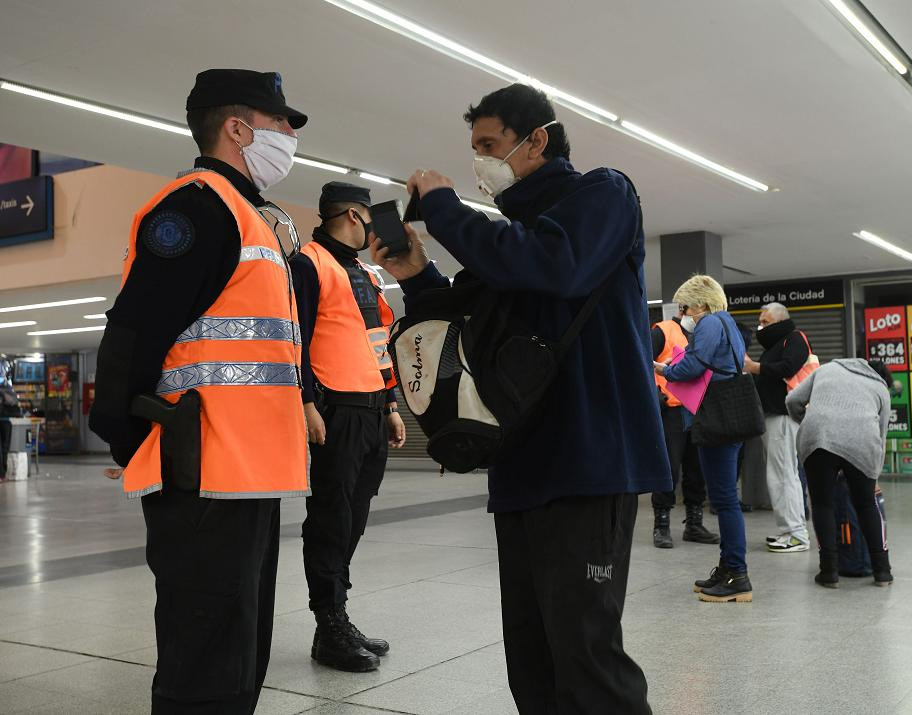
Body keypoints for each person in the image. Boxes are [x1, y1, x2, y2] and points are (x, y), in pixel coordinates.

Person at [373, 83, 669, 714]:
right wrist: (417, 275)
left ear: (538, 139)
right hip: (523, 467)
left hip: (591, 462)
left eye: (490, 145)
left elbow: (557, 267)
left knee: (587, 657)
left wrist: (447, 208)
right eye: (474, 148)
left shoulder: (603, 194)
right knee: (531, 657)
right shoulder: (507, 238)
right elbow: (470, 324)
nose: (481, 160)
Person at [89, 69, 309, 713]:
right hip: (202, 469)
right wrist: (137, 440)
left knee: (237, 650)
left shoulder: (248, 216)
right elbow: (133, 333)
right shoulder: (196, 207)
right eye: (280, 123)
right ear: (237, 128)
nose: (290, 135)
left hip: (245, 474)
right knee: (206, 657)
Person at [290, 181, 407, 673]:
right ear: (357, 216)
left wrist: (391, 402)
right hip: (335, 410)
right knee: (332, 517)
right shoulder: (307, 263)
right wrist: (306, 403)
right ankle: (328, 621)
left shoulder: (364, 272)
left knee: (354, 515)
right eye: (373, 220)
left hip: (373, 410)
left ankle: (336, 615)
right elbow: (293, 337)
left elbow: (378, 339)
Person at [658, 275, 751, 603]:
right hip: (731, 416)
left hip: (718, 417)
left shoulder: (711, 322)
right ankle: (727, 567)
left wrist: (663, 369)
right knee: (725, 497)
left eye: (685, 306)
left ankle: (737, 574)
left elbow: (695, 367)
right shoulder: (729, 325)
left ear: (701, 303)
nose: (683, 313)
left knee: (724, 499)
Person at [786, 359, 894, 588]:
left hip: (818, 437)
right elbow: (881, 435)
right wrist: (874, 474)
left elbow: (793, 399)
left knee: (823, 504)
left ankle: (829, 572)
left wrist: (806, 421)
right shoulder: (881, 388)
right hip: (862, 442)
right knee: (866, 505)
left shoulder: (828, 368)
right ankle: (882, 572)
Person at [743, 302, 811, 553]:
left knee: (784, 476)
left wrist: (754, 368)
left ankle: (797, 535)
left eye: (767, 322)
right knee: (779, 476)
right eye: (760, 322)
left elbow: (788, 367)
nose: (761, 326)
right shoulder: (775, 345)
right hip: (772, 416)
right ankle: (787, 531)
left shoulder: (794, 339)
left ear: (782, 321)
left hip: (784, 417)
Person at [651, 308, 719, 548]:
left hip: (697, 408)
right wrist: (655, 394)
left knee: (696, 468)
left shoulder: (703, 334)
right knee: (669, 467)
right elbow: (640, 362)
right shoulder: (663, 330)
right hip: (672, 410)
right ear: (684, 310)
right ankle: (661, 525)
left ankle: (694, 524)